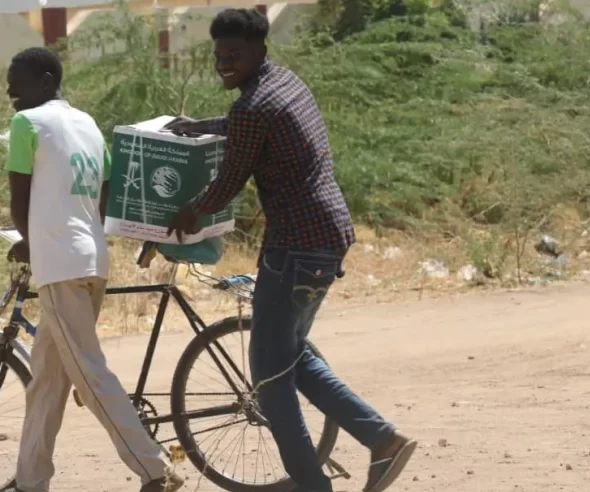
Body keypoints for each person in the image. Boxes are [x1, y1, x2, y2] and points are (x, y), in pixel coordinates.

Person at [164, 9, 416, 492]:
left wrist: (190, 212)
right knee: (289, 356)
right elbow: (247, 129)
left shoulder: (252, 107)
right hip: (327, 235)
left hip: (296, 246)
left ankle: (315, 483)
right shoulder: (284, 83)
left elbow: (230, 178)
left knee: (268, 379)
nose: (224, 65)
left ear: (259, 51)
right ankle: (382, 439)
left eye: (234, 56)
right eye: (218, 56)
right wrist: (199, 127)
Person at [3, 47, 184, 492]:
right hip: (92, 259)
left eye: (17, 81)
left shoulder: (27, 123)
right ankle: (30, 482)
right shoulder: (87, 123)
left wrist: (28, 243)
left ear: (46, 81)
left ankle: (154, 469)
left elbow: (19, 201)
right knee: (47, 379)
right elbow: (105, 202)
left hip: (60, 264)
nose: (9, 90)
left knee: (88, 372)